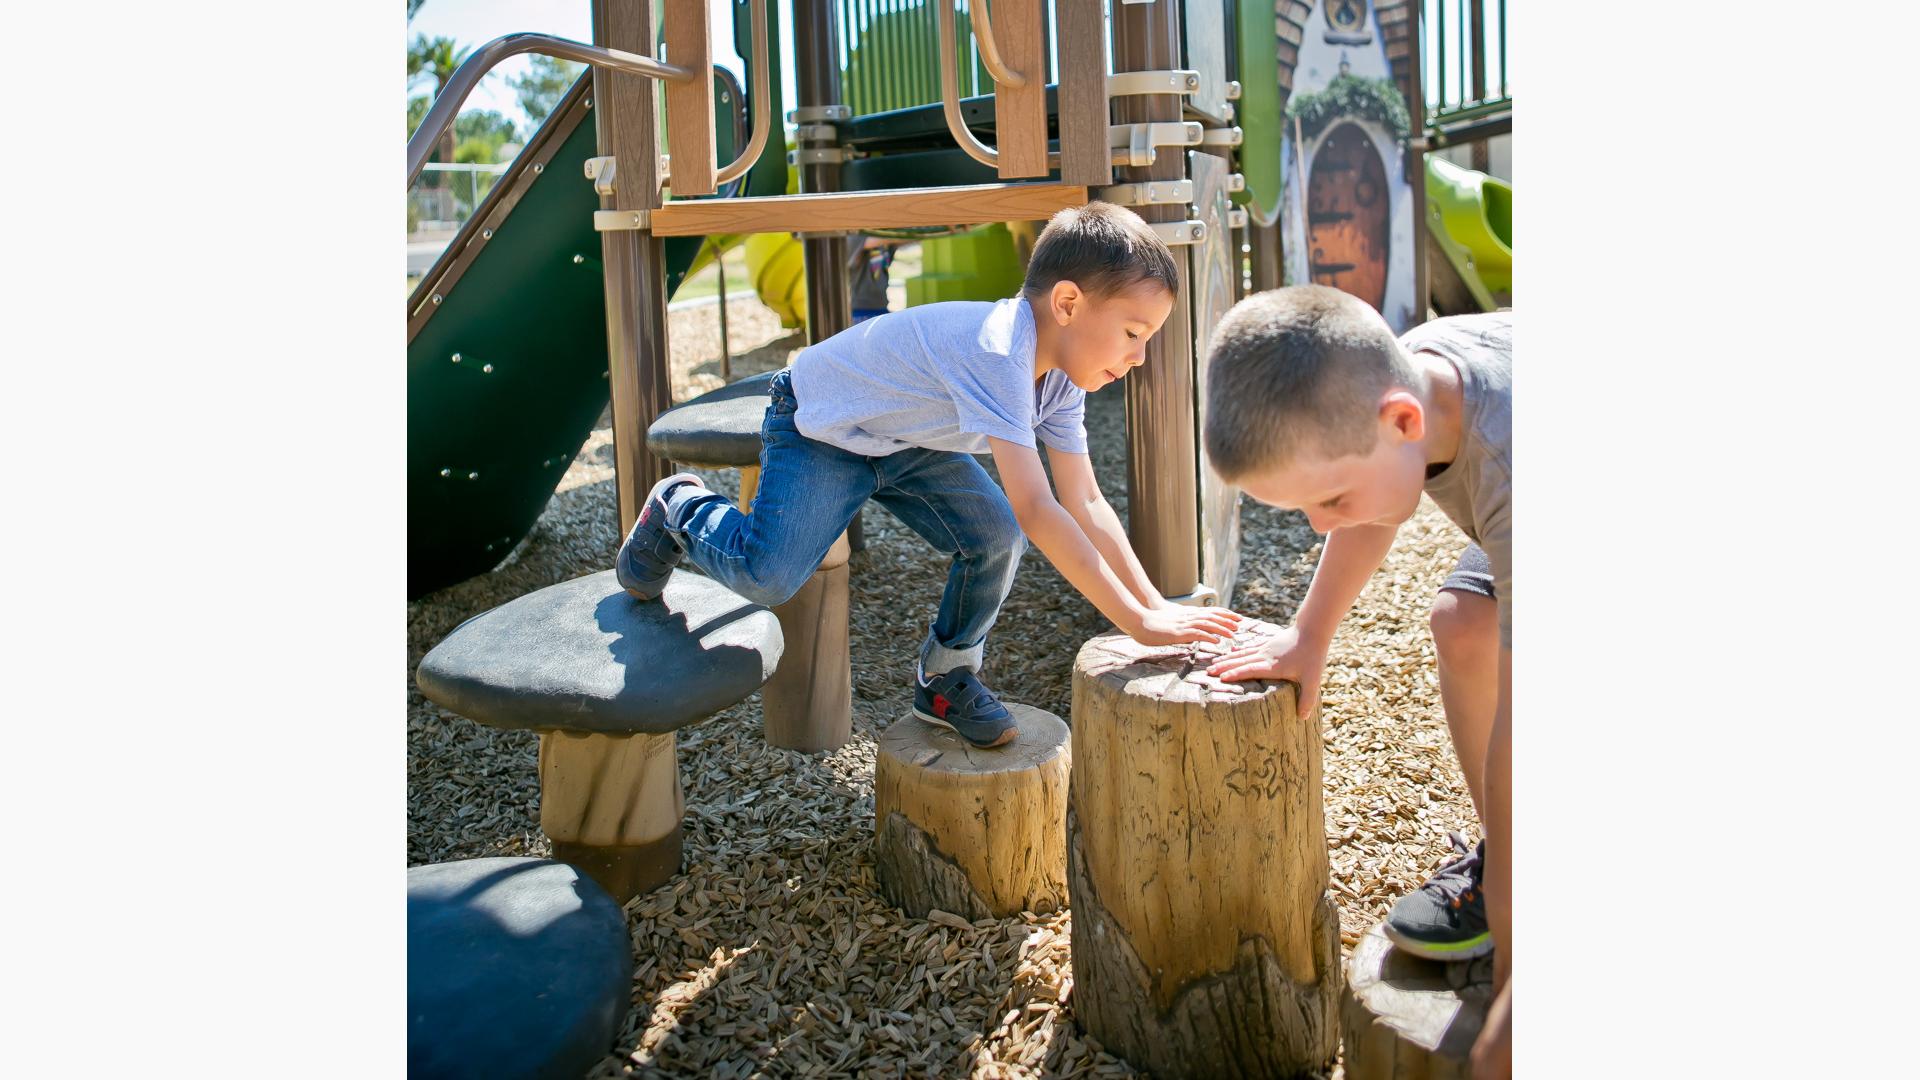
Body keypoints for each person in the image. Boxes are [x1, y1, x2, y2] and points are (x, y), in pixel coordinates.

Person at [614, 202, 1244, 748]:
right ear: (1069, 303)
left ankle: (946, 676)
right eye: (1134, 334)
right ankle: (679, 508)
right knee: (769, 574)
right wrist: (1135, 623)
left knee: (993, 538)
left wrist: (1153, 603)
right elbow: (1039, 506)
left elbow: (1084, 499)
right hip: (822, 425)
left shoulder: (1062, 380)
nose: (1137, 357)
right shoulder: (1000, 351)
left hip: (907, 437)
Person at [1198, 285, 1512, 1073]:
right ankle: (1501, 862)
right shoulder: (1406, 384)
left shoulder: (1514, 462)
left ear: (1403, 421)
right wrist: (1310, 635)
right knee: (1463, 623)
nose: (1321, 524)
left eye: (1329, 497)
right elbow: (1374, 505)